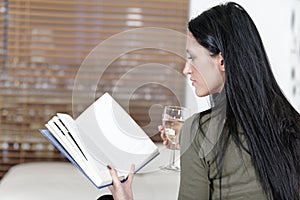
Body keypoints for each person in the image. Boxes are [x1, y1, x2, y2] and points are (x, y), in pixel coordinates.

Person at [103, 2, 300, 200]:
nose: (186, 69)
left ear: (221, 61)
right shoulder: (291, 121)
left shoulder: (199, 130)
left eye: (192, 58)